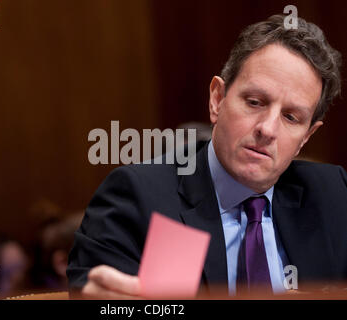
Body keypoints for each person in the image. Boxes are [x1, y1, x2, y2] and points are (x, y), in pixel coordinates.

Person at [67, 14, 347, 298]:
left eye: (291, 117)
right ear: (217, 99)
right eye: (254, 102)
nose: (267, 129)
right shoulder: (139, 197)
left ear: (306, 137)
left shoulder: (333, 196)